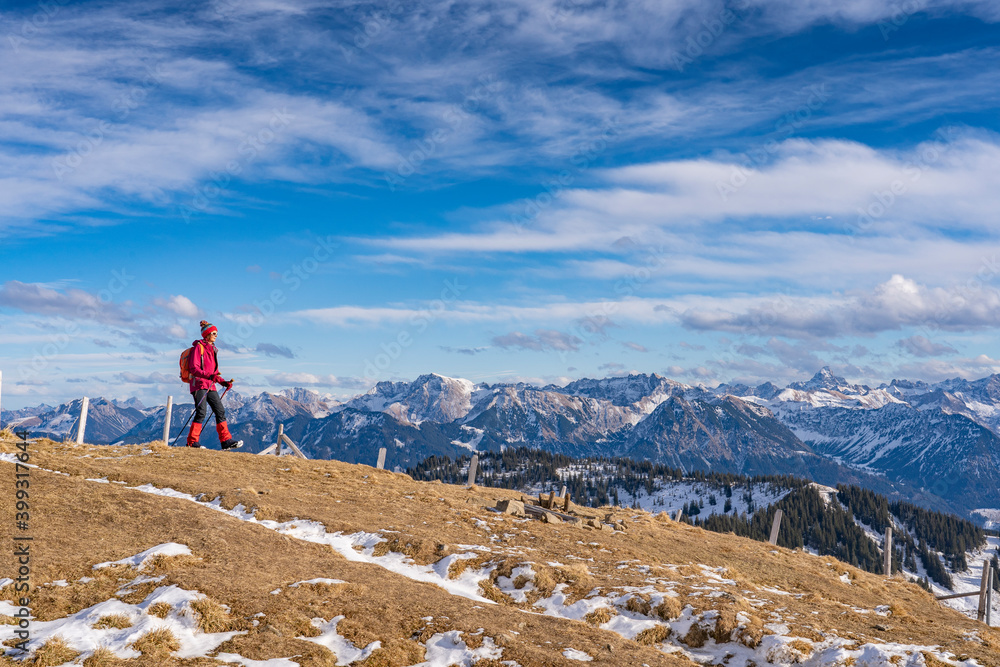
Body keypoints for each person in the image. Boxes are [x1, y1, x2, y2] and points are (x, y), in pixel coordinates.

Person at [186, 320, 243, 450]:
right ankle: (192, 442)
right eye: (214, 333)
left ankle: (226, 441)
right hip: (199, 384)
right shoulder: (198, 348)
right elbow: (193, 368)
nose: (216, 335)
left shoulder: (213, 349)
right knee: (201, 412)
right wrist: (210, 376)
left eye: (216, 333)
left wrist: (223, 382)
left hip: (210, 385)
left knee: (220, 411)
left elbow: (215, 372)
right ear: (206, 335)